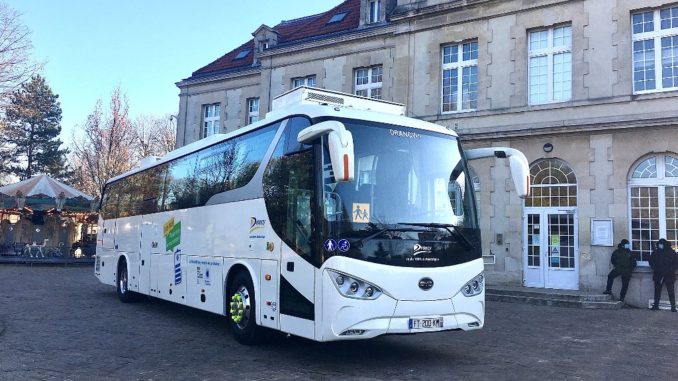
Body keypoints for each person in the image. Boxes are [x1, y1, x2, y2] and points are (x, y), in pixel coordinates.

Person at [649, 238, 677, 312]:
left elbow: (676, 263)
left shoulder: (672, 252)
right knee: (657, 291)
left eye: (661, 244)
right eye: (659, 244)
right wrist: (656, 268)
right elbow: (651, 262)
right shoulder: (655, 252)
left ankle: (673, 307)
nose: (660, 246)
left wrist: (670, 269)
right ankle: (655, 305)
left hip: (669, 274)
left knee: (671, 292)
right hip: (658, 274)